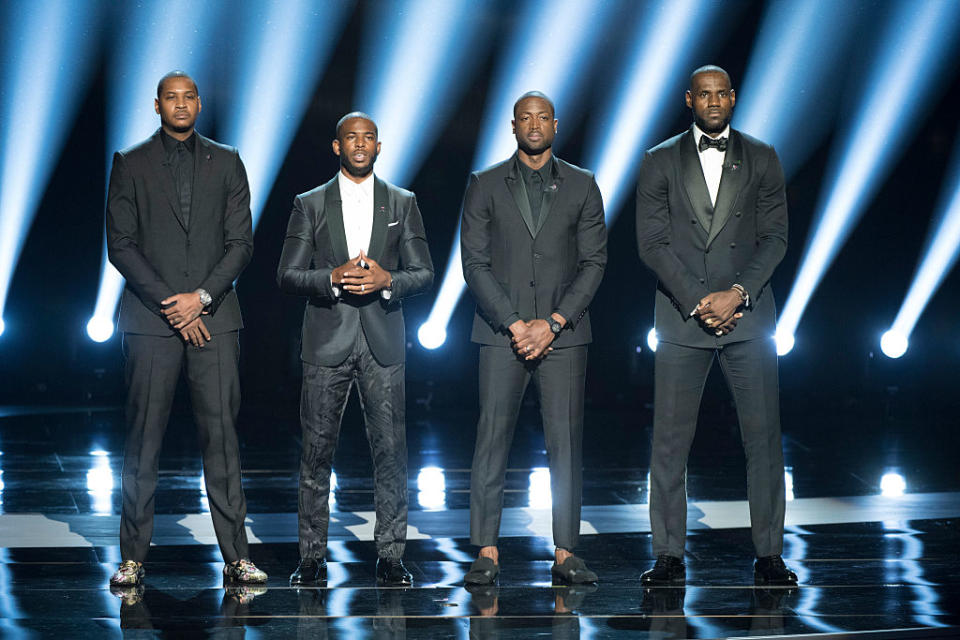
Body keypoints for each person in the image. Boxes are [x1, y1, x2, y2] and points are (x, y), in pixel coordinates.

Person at [635, 65, 796, 586]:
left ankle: (770, 554)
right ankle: (668, 555)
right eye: (701, 94)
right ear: (689, 100)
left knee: (763, 439)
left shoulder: (764, 157)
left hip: (748, 318)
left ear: (732, 97)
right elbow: (651, 243)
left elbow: (775, 238)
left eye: (719, 93)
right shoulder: (659, 159)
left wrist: (737, 296)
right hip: (684, 318)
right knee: (669, 442)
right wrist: (698, 299)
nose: (711, 101)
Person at [106, 71, 265, 586]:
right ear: (156, 106)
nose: (180, 104)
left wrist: (199, 300)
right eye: (170, 98)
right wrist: (172, 306)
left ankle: (237, 555)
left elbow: (241, 243)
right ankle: (132, 558)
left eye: (189, 96)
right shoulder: (130, 163)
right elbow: (121, 244)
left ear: (199, 103)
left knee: (222, 439)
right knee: (143, 441)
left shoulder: (229, 160)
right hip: (151, 322)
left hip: (215, 318)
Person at [277, 112, 433, 586]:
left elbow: (424, 271)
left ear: (379, 147)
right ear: (336, 146)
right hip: (327, 339)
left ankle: (390, 555)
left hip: (382, 339)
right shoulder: (310, 203)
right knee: (317, 453)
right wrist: (332, 277)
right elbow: (287, 274)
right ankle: (310, 558)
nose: (360, 144)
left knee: (390, 452)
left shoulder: (402, 202)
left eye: (368, 138)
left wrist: (389, 280)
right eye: (351, 137)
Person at [460, 91, 607, 585]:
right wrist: (516, 323)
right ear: (514, 125)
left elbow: (594, 263)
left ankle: (566, 551)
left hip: (564, 335)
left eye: (543, 116)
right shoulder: (483, 184)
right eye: (526, 117)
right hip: (501, 334)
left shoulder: (583, 185)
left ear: (556, 124)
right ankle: (486, 551)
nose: (535, 124)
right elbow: (474, 264)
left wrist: (555, 322)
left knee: (565, 443)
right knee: (490, 440)